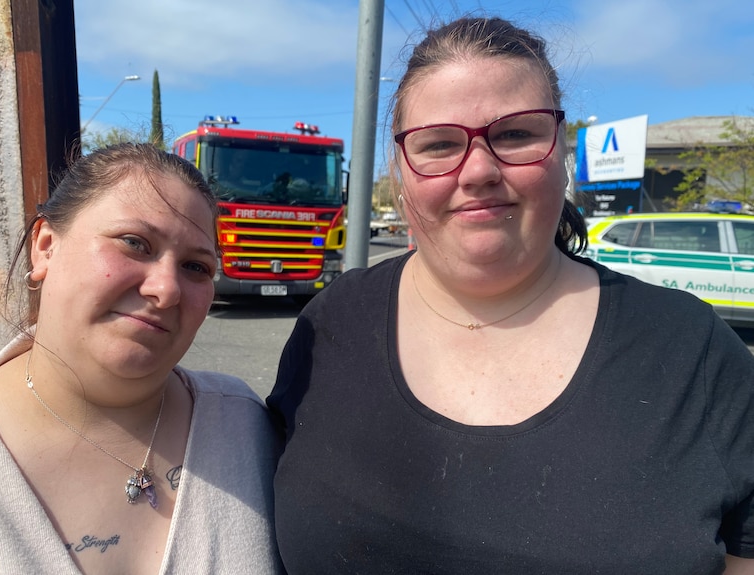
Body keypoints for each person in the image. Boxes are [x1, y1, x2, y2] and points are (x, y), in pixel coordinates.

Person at [267, 16, 754, 575]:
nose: (477, 170)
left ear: (562, 154)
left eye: (516, 134)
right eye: (439, 143)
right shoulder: (330, 325)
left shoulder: (690, 351)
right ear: (400, 171)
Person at [0, 143, 284, 574]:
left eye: (196, 267)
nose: (166, 289)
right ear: (46, 247)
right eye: (134, 243)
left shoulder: (244, 426)